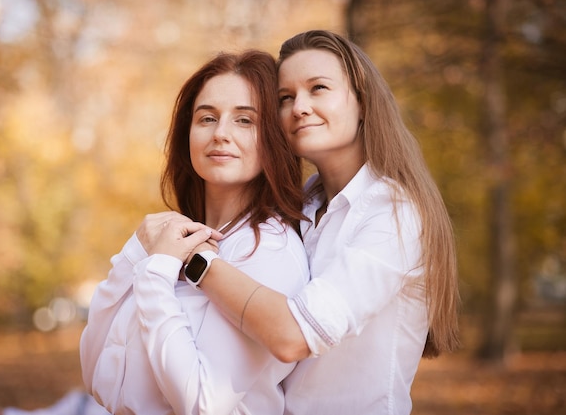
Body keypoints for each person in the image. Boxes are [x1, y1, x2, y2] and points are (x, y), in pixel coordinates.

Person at [141, 30, 461, 415]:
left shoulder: (393, 213)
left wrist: (196, 259)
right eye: (285, 98)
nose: (299, 108)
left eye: (318, 88)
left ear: (363, 102)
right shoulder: (302, 203)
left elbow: (294, 336)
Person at [79, 49, 309, 415]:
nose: (220, 134)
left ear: (272, 139)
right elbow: (95, 374)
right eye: (207, 118)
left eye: (245, 121)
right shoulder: (173, 238)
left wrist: (155, 276)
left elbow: (205, 403)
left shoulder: (268, 249)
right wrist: (134, 255)